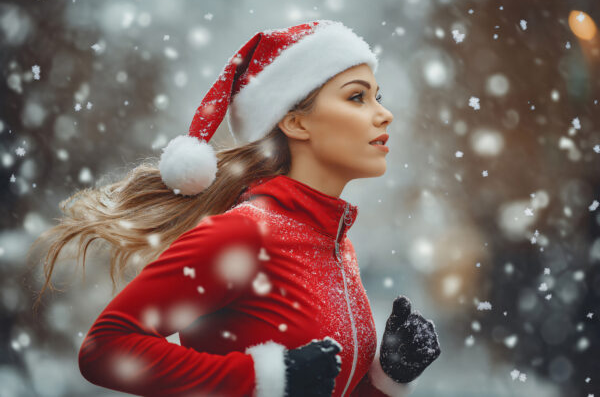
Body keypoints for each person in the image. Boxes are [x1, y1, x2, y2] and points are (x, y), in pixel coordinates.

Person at [30, 20, 440, 396]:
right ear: (295, 123)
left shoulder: (334, 245)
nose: (384, 114)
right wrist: (262, 379)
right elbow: (105, 348)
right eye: (357, 97)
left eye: (378, 97)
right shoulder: (244, 235)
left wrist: (387, 378)